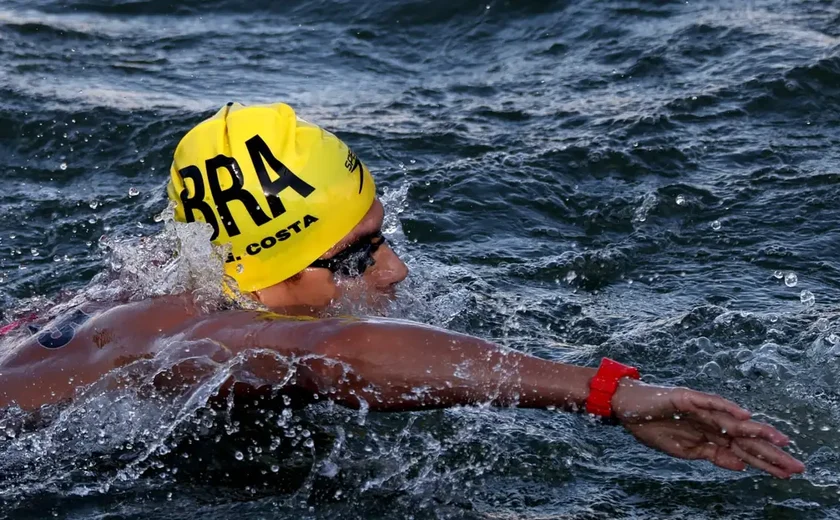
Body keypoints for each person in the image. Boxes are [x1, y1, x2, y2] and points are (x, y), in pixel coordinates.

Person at [0, 102, 805, 480]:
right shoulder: (205, 335)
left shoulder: (145, 283)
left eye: (384, 238)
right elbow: (330, 352)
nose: (395, 274)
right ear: (271, 275)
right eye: (356, 258)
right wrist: (608, 394)